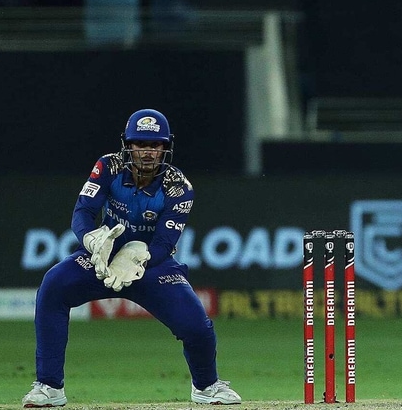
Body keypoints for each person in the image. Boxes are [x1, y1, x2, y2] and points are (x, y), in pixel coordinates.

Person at [22, 109, 242, 407]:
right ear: (128, 145)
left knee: (197, 327)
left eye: (155, 145)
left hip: (152, 266)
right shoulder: (108, 166)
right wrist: (91, 239)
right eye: (140, 144)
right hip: (102, 257)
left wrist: (139, 258)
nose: (148, 152)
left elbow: (165, 243)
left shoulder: (179, 188)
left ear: (166, 147)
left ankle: (206, 386)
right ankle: (49, 387)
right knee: (53, 287)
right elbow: (84, 212)